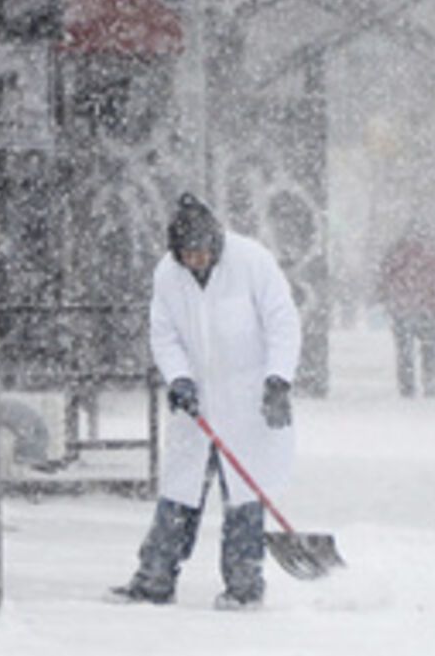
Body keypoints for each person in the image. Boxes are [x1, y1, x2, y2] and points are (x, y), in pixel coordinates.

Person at [111, 193, 302, 609]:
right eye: (186, 255)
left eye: (200, 253)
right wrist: (178, 377)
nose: (194, 261)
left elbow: (282, 322)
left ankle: (244, 586)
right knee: (179, 493)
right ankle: (155, 579)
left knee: (244, 498)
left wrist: (278, 380)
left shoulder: (252, 262)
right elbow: (164, 334)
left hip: (247, 401)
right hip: (195, 403)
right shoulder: (168, 275)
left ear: (215, 244)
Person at [376, 228, 435, 398]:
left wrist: (388, 299)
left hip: (403, 308)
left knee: (405, 352)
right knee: (430, 349)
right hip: (428, 309)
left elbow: (384, 277)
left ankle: (407, 386)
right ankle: (430, 384)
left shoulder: (397, 255)